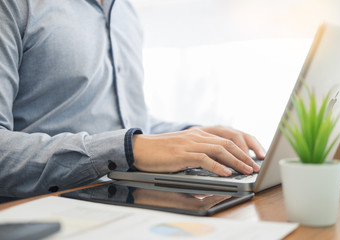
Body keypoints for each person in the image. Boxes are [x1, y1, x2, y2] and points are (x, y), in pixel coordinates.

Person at [0, 0, 266, 198]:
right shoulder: (13, 7)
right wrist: (127, 148)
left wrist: (189, 136)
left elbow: (122, 120)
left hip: (126, 200)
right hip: (43, 211)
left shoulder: (124, 11)